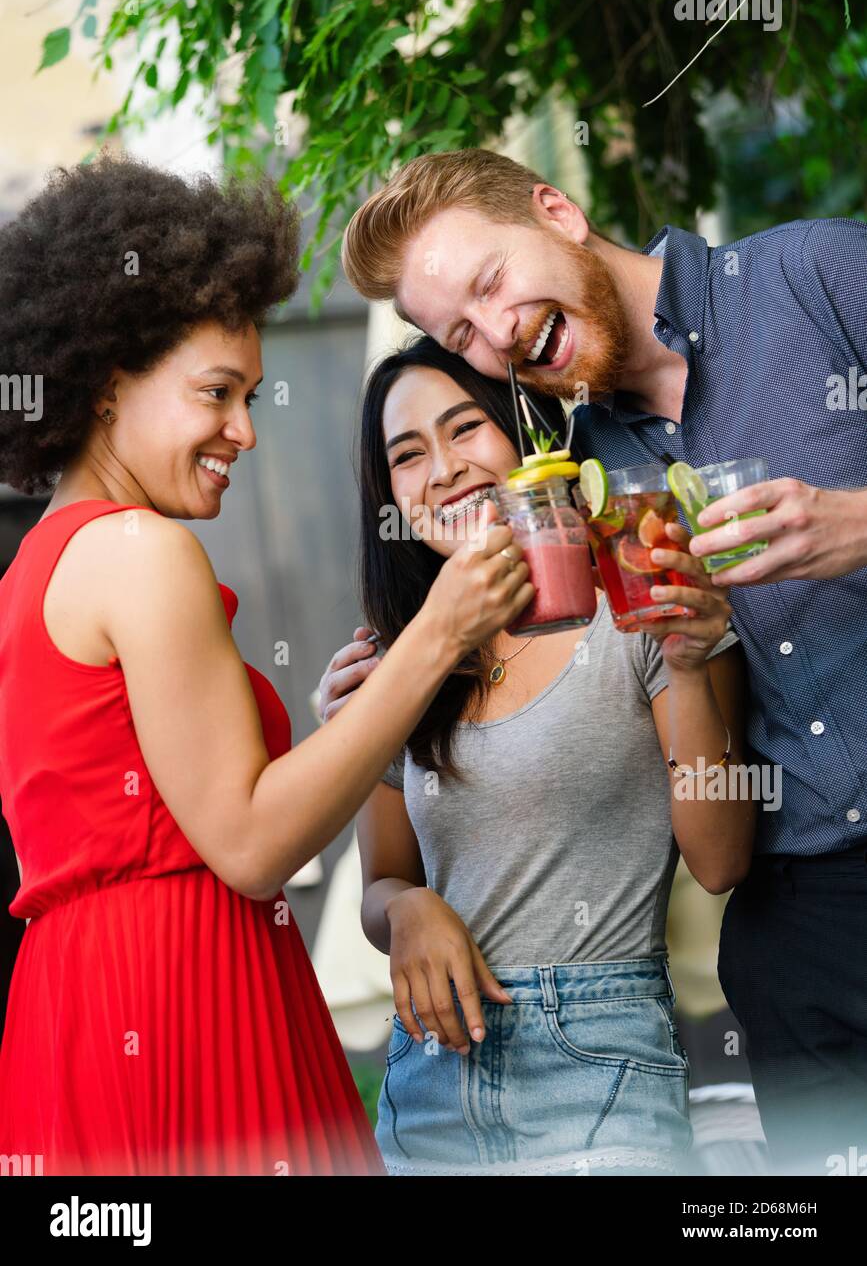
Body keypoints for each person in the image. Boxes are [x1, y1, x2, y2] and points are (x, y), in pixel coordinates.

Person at [0, 156, 534, 1177]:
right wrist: (435, 639)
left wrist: (347, 728)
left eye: (248, 395)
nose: (243, 431)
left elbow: (179, 807)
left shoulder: (36, 565)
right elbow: (246, 843)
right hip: (181, 1000)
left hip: (74, 1008)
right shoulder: (142, 552)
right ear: (110, 382)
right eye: (216, 393)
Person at [340, 146, 867, 1175]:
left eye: (490, 282)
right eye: (458, 332)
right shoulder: (590, 476)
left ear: (557, 208)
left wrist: (858, 522)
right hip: (798, 923)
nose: (496, 334)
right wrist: (372, 704)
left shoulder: (815, 277)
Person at [317, 334, 755, 1176]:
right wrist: (407, 911)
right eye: (407, 455)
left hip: (600, 1069)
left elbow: (721, 859)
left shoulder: (631, 596)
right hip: (429, 1078)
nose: (442, 469)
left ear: (525, 435)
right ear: (389, 496)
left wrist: (690, 666)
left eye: (464, 430)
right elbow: (382, 885)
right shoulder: (395, 660)